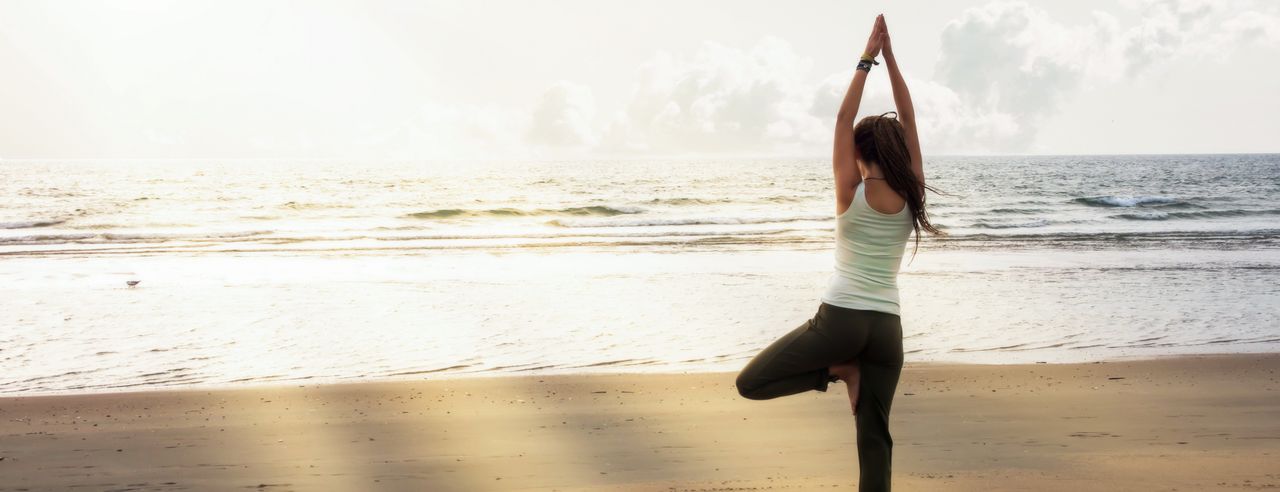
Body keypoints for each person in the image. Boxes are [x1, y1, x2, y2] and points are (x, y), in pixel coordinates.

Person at [734, 14, 942, 492]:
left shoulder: (850, 191)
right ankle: (846, 371)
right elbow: (909, 119)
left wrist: (866, 59)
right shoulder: (912, 190)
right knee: (875, 441)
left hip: (841, 319)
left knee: (751, 382)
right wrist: (891, 58)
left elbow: (842, 119)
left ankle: (836, 370)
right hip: (888, 329)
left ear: (857, 151)